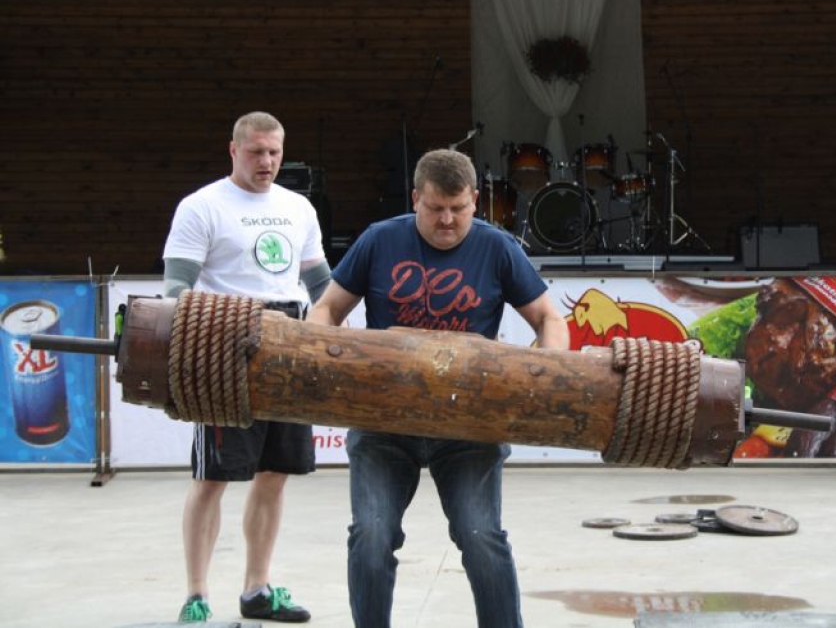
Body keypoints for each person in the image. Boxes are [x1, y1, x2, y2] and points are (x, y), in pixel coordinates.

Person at [306, 148, 569, 628]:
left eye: (458, 208)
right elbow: (325, 310)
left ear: (475, 200)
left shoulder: (498, 247)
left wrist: (544, 371)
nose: (447, 220)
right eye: (434, 209)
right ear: (415, 200)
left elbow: (550, 317)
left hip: (468, 426)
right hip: (385, 422)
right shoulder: (379, 241)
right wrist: (334, 355)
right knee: (371, 535)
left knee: (481, 536)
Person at [163, 111, 332, 623]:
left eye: (275, 152)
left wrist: (336, 333)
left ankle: (257, 589)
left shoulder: (298, 207)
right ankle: (197, 595)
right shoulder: (202, 206)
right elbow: (176, 290)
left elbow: (322, 285)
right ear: (233, 150)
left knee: (275, 473)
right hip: (224, 342)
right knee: (212, 478)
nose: (267, 162)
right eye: (257, 151)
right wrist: (194, 350)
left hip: (288, 337)